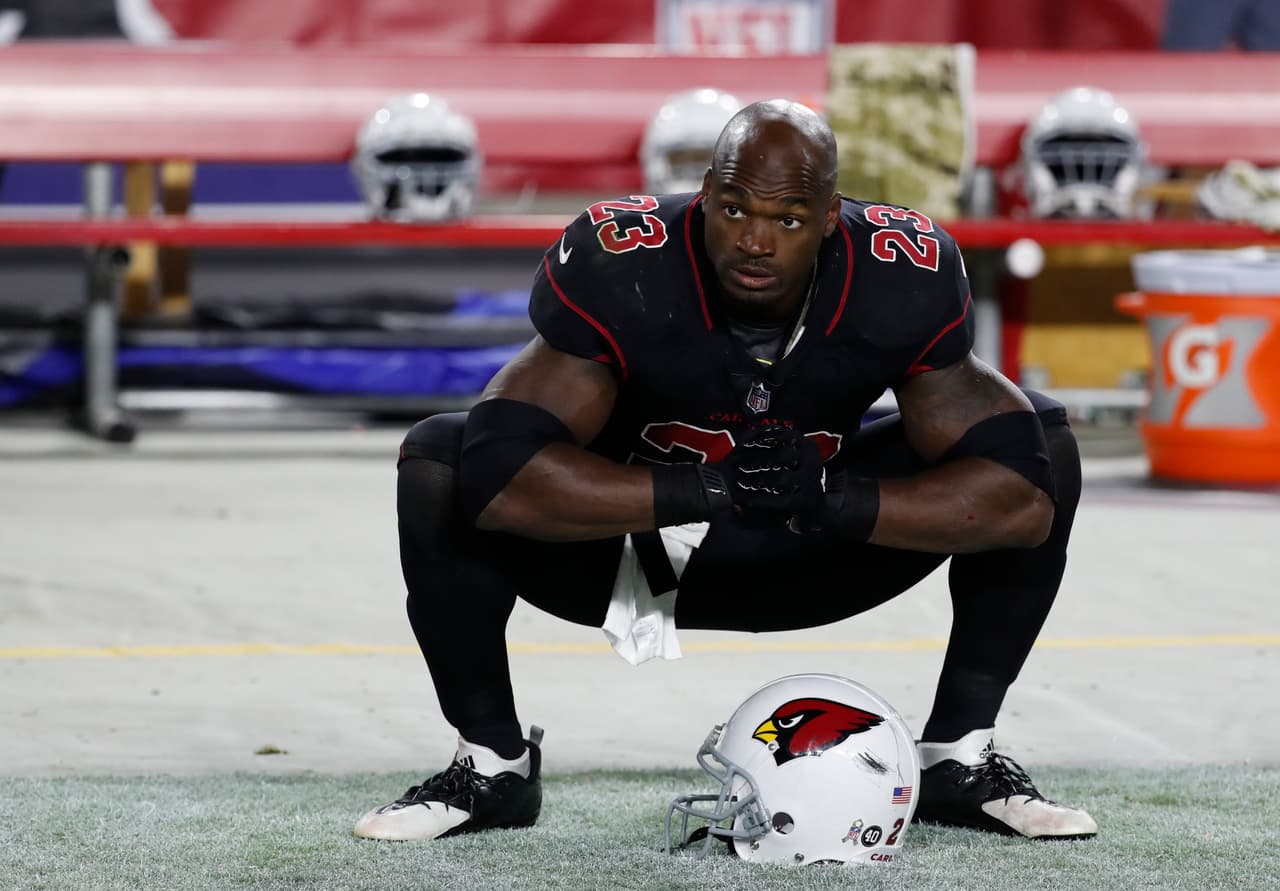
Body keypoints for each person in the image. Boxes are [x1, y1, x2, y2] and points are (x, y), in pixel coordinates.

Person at [353, 99, 1098, 844]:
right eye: (735, 207)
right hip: (640, 565)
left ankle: (958, 758)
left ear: (831, 216)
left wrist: (840, 499)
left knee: (1045, 438)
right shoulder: (626, 266)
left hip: (819, 546)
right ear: (705, 192)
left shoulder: (896, 275)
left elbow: (1022, 497)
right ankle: (493, 766)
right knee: (439, 462)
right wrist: (706, 486)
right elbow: (499, 476)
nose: (755, 240)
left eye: (789, 219)